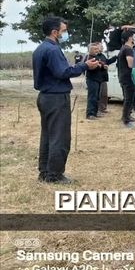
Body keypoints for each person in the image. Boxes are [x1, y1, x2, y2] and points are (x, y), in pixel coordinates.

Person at [32, 16, 99, 183]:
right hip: (56, 98)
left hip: (45, 97)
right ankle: (54, 175)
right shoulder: (53, 50)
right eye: (63, 31)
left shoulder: (40, 48)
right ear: (54, 32)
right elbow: (63, 72)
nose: (66, 34)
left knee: (47, 136)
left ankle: (45, 172)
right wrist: (85, 66)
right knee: (60, 137)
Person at [117, 30, 135, 127]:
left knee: (129, 98)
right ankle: (125, 118)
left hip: (123, 76)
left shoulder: (123, 48)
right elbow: (130, 64)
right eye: (133, 36)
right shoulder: (128, 49)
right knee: (129, 98)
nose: (134, 38)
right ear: (130, 38)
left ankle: (128, 115)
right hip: (128, 77)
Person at [84, 43, 109, 120]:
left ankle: (95, 112)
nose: (97, 50)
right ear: (90, 50)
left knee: (97, 97)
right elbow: (88, 67)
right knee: (92, 97)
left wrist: (103, 66)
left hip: (98, 80)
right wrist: (96, 65)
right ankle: (90, 114)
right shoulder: (88, 57)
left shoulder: (97, 57)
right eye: (95, 49)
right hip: (92, 80)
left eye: (97, 49)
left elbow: (101, 64)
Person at [96, 43, 117, 114]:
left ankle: (103, 108)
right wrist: (102, 66)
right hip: (97, 78)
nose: (102, 48)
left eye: (102, 46)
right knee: (98, 95)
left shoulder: (102, 55)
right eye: (100, 46)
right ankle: (97, 110)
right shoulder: (94, 56)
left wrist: (115, 57)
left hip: (104, 78)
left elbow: (107, 62)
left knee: (104, 95)